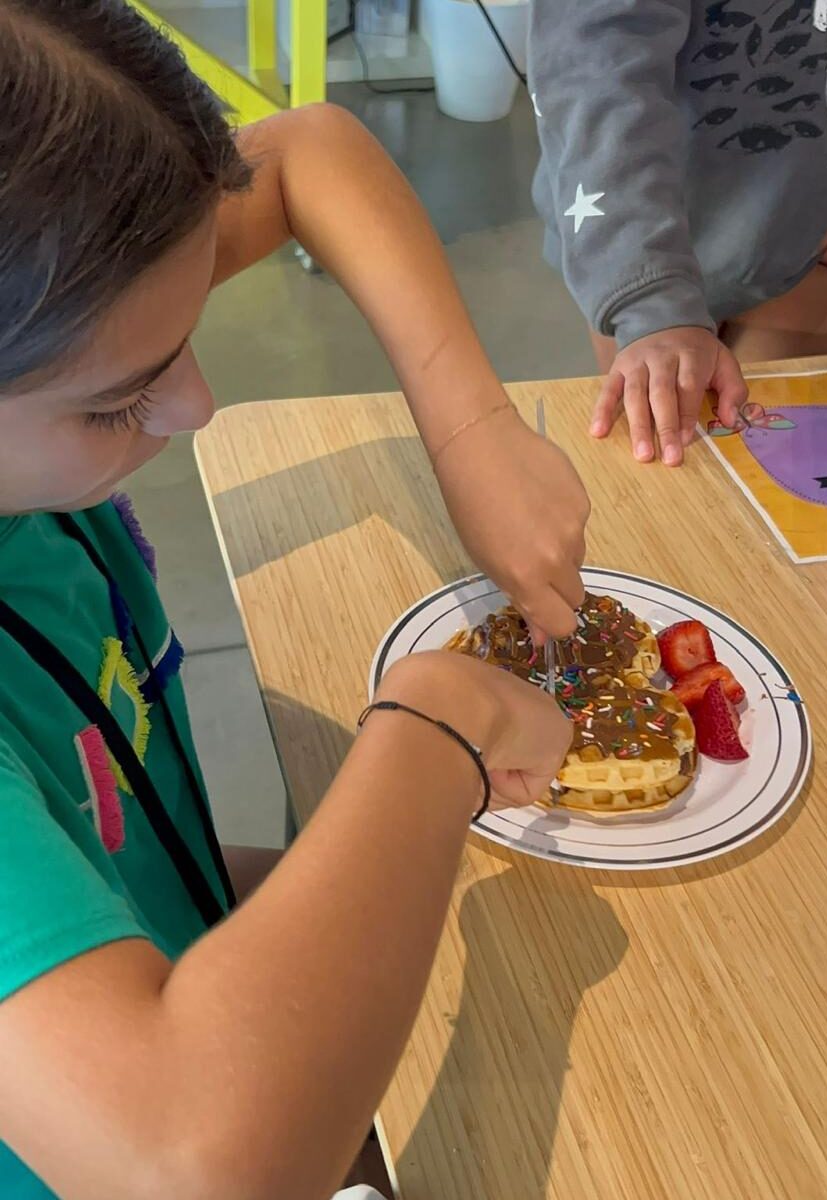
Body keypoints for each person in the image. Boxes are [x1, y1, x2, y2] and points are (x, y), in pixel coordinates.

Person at [0, 3, 584, 1197]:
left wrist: (472, 429)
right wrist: (437, 725)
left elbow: (312, 150)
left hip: (166, 910)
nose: (197, 406)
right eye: (118, 403)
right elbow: (194, 1164)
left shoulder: (56, 303)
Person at [529, 0, 827, 465]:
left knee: (773, 466)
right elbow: (594, 62)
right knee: (671, 463)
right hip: (637, 236)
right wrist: (648, 301)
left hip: (805, 231)